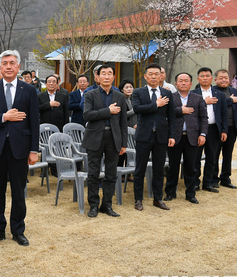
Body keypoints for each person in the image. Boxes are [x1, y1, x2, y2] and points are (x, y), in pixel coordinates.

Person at [0, 50, 39, 247]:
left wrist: (33, 150)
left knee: (18, 191)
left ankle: (18, 230)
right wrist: (4, 117)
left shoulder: (28, 90)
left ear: (18, 66)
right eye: (5, 63)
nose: (9, 66)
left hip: (20, 148)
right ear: (0, 67)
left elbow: (34, 122)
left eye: (12, 62)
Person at [82, 65, 127, 217]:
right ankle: (93, 206)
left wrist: (124, 143)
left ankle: (107, 205)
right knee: (93, 173)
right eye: (103, 74)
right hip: (95, 137)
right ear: (97, 77)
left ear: (114, 77)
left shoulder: (120, 96)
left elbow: (123, 122)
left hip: (113, 138)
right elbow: (87, 115)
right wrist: (108, 111)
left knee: (111, 174)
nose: (106, 76)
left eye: (110, 74)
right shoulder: (90, 94)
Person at [132, 63, 175, 211]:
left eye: (157, 73)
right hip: (144, 135)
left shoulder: (167, 93)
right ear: (145, 76)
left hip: (161, 136)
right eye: (150, 74)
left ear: (161, 76)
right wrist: (156, 104)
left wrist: (172, 135)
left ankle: (158, 199)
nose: (154, 76)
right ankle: (138, 199)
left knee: (159, 170)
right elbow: (137, 109)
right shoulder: (138, 92)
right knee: (140, 169)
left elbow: (172, 116)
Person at [164, 72, 207, 204]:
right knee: (173, 167)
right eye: (180, 80)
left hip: (192, 137)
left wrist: (203, 134)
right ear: (176, 84)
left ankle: (190, 194)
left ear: (191, 83)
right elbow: (165, 115)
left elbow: (203, 118)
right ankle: (170, 193)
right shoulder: (170, 97)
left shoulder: (198, 98)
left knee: (191, 167)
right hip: (174, 137)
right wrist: (180, 110)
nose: (183, 83)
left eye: (186, 80)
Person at [192, 67, 228, 193]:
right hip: (197, 129)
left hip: (214, 129)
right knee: (195, 157)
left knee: (212, 157)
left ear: (212, 78)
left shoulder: (220, 94)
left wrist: (224, 130)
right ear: (198, 79)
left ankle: (208, 183)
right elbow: (190, 111)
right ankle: (195, 183)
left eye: (207, 76)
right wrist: (204, 102)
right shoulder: (193, 93)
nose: (205, 78)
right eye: (202, 76)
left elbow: (224, 114)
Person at [214, 69, 237, 189]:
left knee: (228, 154)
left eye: (226, 77)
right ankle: (213, 179)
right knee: (214, 154)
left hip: (232, 127)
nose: (224, 80)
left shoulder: (235, 91)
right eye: (221, 78)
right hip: (217, 128)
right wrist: (229, 101)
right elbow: (215, 105)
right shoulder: (212, 91)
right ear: (215, 79)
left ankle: (225, 178)